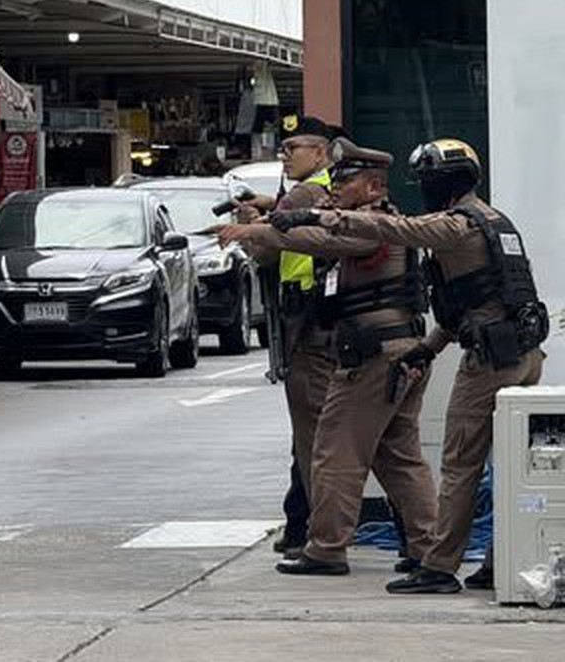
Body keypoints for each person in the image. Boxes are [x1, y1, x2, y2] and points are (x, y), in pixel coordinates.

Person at [275, 139, 549, 593]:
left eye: (426, 182)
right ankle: (498, 563)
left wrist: (314, 215)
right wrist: (430, 348)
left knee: (462, 465)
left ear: (441, 184)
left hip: (490, 361)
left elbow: (397, 231)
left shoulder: (456, 225)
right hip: (525, 355)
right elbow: (473, 301)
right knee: (510, 468)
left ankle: (439, 568)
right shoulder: (496, 221)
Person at [220, 138, 439, 575]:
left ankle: (326, 548)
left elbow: (315, 240)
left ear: (374, 187)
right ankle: (425, 546)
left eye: (346, 180)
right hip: (397, 352)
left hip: (373, 357)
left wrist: (255, 230)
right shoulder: (377, 221)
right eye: (335, 178)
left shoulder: (371, 225)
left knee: (334, 451)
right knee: (398, 456)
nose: (335, 188)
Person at [236, 114, 338, 555]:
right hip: (318, 320)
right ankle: (301, 522)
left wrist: (247, 228)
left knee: (311, 435)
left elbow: (263, 253)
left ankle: (318, 534)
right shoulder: (326, 186)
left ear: (318, 152)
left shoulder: (305, 191)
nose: (285, 154)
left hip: (309, 323)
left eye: (293, 146)